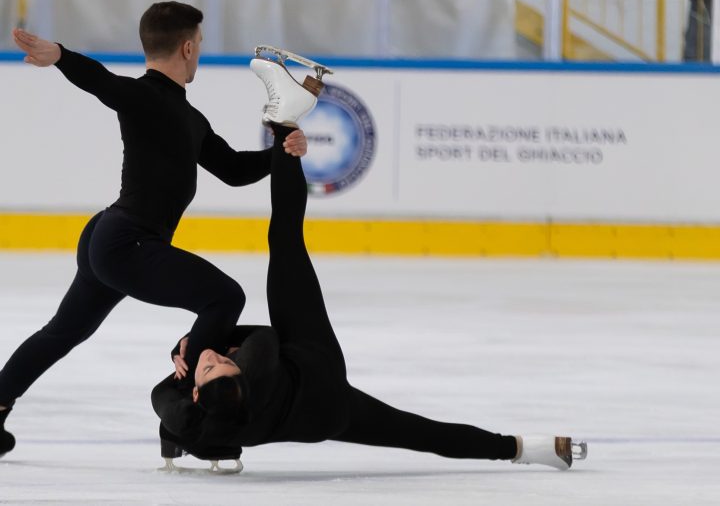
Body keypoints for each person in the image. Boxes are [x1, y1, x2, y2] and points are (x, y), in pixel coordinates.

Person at [151, 109, 587, 470]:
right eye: (220, 364)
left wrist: (185, 354)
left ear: (194, 396)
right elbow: (263, 337)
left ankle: (286, 135)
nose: (211, 358)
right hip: (318, 378)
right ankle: (525, 447)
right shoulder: (256, 364)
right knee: (419, 432)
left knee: (285, 243)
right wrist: (205, 348)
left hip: (276, 396)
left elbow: (163, 399)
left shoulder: (192, 413)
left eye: (208, 367)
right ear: (241, 370)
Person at [0, 1, 316, 458]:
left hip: (109, 237)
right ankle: (190, 419)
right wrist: (63, 57)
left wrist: (281, 152)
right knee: (223, 298)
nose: (200, 54)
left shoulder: (187, 116)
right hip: (125, 242)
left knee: (63, 332)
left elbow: (230, 169)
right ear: (188, 47)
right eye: (200, 45)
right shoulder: (144, 97)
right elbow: (104, 84)